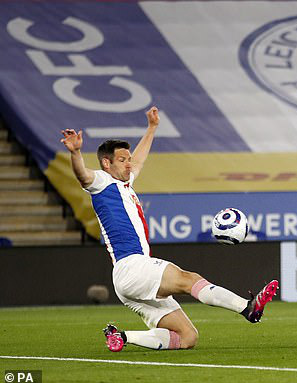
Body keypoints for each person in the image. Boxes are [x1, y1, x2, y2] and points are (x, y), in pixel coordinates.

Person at [61, 107, 278, 352]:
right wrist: (76, 152)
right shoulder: (102, 182)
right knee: (190, 280)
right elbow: (82, 176)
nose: (129, 164)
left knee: (187, 337)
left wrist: (152, 128)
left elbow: (140, 159)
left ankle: (121, 336)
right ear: (106, 163)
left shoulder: (125, 182)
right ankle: (248, 308)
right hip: (132, 266)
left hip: (129, 279)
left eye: (128, 159)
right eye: (123, 160)